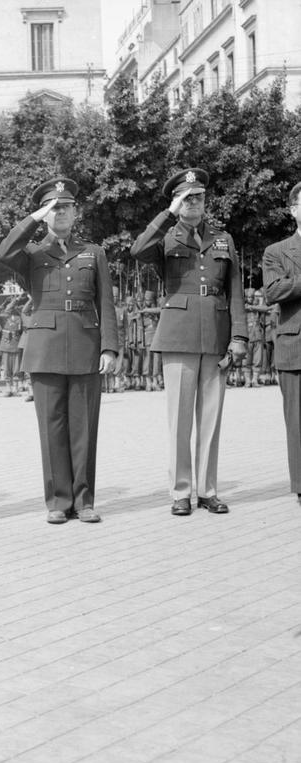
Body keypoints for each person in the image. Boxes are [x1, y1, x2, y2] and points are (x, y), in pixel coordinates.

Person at [0, 177, 117, 524]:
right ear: (45, 214)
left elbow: (105, 302)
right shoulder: (32, 254)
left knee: (84, 427)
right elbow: (3, 253)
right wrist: (33, 218)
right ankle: (58, 501)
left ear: (75, 212)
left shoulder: (94, 253)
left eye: (65, 207)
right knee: (52, 427)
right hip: (45, 348)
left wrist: (109, 348)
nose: (60, 213)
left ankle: (84, 500)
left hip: (85, 344)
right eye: (53, 208)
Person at [131, 168, 247, 516]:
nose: (193, 203)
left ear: (205, 201)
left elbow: (235, 290)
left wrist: (239, 336)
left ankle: (208, 490)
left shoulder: (223, 239)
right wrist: (168, 214)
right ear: (177, 202)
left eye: (198, 197)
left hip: (215, 333)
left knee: (210, 420)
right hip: (178, 333)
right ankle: (181, 491)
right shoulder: (165, 237)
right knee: (180, 420)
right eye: (186, 198)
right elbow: (138, 250)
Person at [261, 180, 301, 505]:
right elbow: (273, 291)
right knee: (297, 421)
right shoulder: (276, 251)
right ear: (294, 210)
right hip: (295, 346)